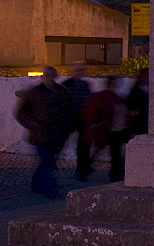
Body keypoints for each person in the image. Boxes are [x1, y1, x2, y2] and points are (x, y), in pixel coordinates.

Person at [15, 66, 73, 198]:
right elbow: (21, 113)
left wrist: (66, 128)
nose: (48, 78)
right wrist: (33, 125)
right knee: (47, 162)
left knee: (47, 161)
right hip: (40, 135)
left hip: (57, 135)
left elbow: (69, 112)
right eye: (46, 75)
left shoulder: (63, 93)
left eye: (51, 75)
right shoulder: (34, 92)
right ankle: (50, 189)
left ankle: (36, 184)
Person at [82, 76, 128, 182]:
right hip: (108, 129)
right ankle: (114, 174)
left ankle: (114, 174)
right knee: (111, 152)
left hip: (112, 129)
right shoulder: (108, 96)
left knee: (111, 152)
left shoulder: (113, 96)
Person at [61, 61, 93, 181]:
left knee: (84, 146)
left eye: (81, 70)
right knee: (59, 143)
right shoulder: (66, 85)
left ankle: (82, 171)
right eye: (77, 70)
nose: (80, 73)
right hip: (69, 118)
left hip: (83, 119)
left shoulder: (85, 85)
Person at [125, 68, 150, 138]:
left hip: (150, 122)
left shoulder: (153, 90)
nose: (146, 78)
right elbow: (130, 105)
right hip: (138, 122)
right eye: (144, 75)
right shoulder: (135, 91)